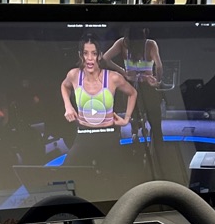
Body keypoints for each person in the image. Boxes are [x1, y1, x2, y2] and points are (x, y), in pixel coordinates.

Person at [59, 37, 137, 189]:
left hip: (108, 135)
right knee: (66, 174)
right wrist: (68, 106)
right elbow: (64, 86)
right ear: (80, 55)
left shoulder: (113, 77)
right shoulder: (74, 75)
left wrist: (126, 119)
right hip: (84, 135)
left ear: (99, 55)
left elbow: (132, 93)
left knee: (117, 181)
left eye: (93, 53)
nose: (89, 58)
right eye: (86, 53)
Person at [102, 28, 164, 146]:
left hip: (130, 86)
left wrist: (122, 71)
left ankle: (134, 133)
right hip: (146, 85)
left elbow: (105, 58)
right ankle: (159, 146)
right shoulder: (150, 44)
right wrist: (157, 81)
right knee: (155, 122)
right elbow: (159, 66)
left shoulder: (122, 43)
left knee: (133, 116)